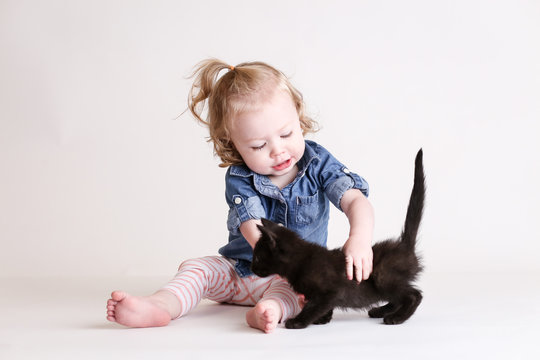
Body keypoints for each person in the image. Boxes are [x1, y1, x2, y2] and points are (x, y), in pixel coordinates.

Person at [106, 59, 375, 333]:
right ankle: (161, 305)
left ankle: (268, 312)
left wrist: (360, 239)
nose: (277, 150)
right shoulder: (240, 176)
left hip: (290, 276)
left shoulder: (318, 163)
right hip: (237, 274)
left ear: (298, 115)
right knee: (197, 268)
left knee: (304, 293)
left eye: (286, 134)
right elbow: (252, 226)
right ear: (231, 143)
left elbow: (355, 199)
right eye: (259, 145)